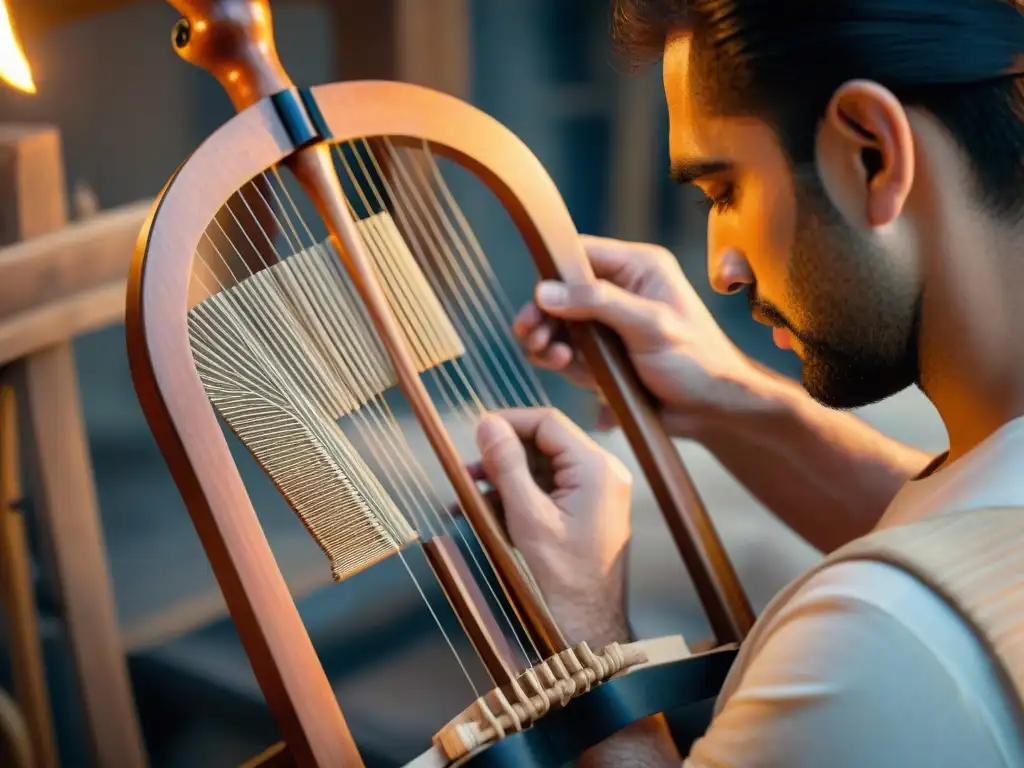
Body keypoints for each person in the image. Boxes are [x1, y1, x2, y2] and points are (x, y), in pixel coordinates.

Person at [471, 1, 1024, 766]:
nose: (720, 270)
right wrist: (733, 398)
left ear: (871, 153)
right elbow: (985, 535)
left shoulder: (877, 644)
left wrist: (580, 636)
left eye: (724, 190)